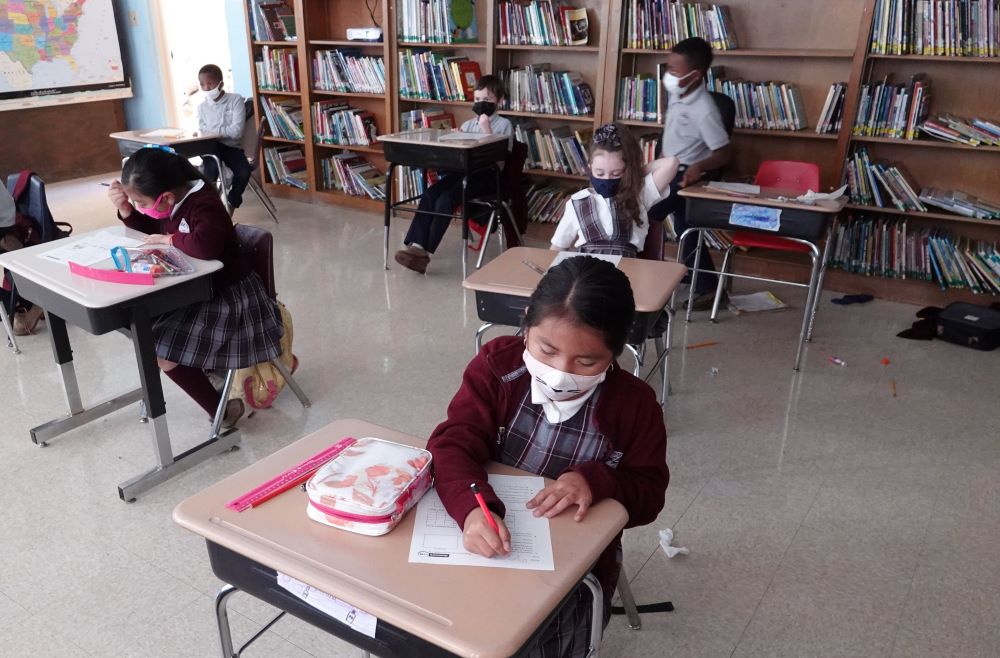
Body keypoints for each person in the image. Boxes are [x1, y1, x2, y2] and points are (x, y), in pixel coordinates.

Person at [427, 256, 669, 657]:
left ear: (616, 351)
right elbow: (453, 443)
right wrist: (473, 508)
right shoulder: (497, 366)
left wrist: (595, 480)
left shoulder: (635, 406)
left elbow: (649, 494)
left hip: (573, 556)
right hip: (485, 525)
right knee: (448, 621)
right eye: (546, 349)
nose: (560, 372)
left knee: (542, 635)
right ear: (526, 323)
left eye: (586, 361)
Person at [107, 147, 283, 427]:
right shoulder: (173, 201)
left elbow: (205, 246)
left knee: (160, 351)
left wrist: (170, 240)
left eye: (140, 202)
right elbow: (150, 229)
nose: (141, 208)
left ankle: (222, 412)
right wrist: (126, 210)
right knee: (143, 326)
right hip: (199, 290)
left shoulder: (203, 203)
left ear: (166, 196)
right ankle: (203, 376)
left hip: (233, 301)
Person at [394, 74, 513, 274]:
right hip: (463, 172)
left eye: (487, 100)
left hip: (487, 177)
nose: (481, 104)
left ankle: (424, 253)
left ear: (499, 101)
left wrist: (487, 130)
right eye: (477, 100)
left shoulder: (504, 124)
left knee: (446, 200)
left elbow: (499, 159)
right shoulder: (468, 125)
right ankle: (416, 246)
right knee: (431, 194)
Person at [647, 37, 732, 310]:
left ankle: (644, 277)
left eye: (675, 70)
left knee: (644, 214)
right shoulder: (678, 92)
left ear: (696, 75)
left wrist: (698, 167)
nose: (669, 75)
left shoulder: (704, 109)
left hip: (685, 177)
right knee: (687, 229)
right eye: (668, 67)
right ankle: (707, 286)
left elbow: (724, 152)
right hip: (667, 167)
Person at [550, 122, 678, 257]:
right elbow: (558, 247)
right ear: (590, 167)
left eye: (616, 174)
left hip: (627, 270)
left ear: (627, 170)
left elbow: (672, 163)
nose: (607, 179)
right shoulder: (576, 202)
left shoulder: (640, 193)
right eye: (599, 173)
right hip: (588, 271)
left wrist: (634, 173)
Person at [196, 64, 252, 210]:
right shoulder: (202, 107)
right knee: (210, 171)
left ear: (221, 83)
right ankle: (210, 208)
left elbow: (236, 132)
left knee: (244, 171)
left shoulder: (235, 100)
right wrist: (219, 132)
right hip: (210, 147)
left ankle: (231, 203)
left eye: (210, 83)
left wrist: (213, 132)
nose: (207, 88)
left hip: (231, 147)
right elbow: (202, 131)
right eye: (202, 84)